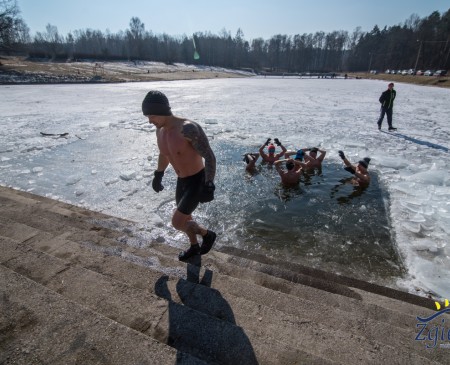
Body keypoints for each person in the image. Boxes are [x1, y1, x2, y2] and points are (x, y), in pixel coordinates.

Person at [142, 90, 217, 262]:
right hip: (182, 181)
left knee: (177, 222)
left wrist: (209, 183)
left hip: (197, 180)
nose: (149, 120)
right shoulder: (160, 131)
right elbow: (164, 154)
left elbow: (209, 156)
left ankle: (208, 235)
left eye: (151, 115)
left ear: (162, 111)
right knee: (187, 218)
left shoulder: (188, 129)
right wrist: (158, 174)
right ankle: (194, 247)